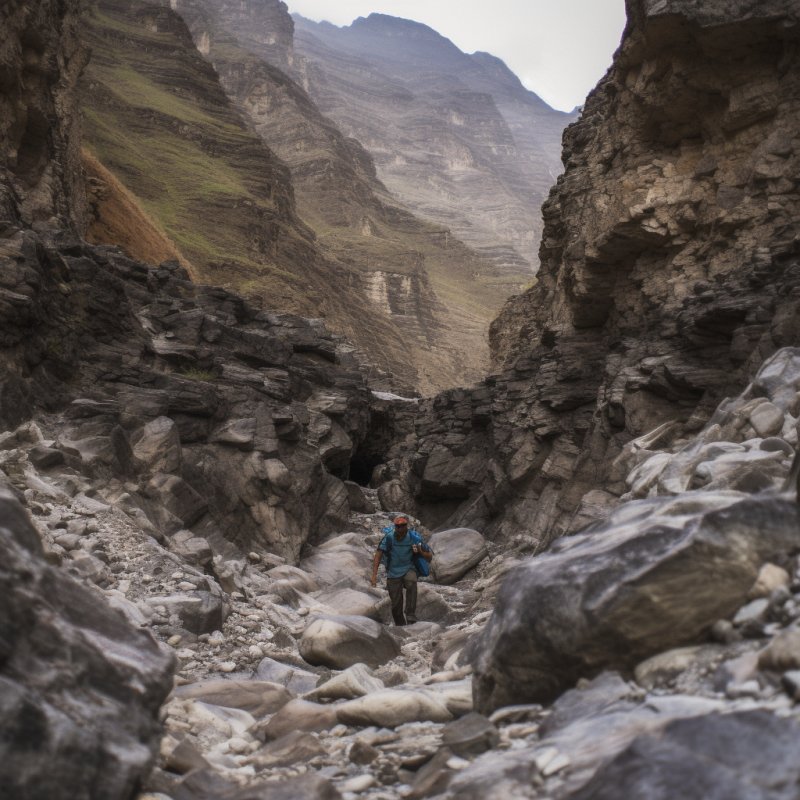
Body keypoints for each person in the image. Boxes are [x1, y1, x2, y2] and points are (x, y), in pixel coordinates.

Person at [370, 515, 433, 626]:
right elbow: (378, 555)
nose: (400, 528)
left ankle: (410, 616)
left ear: (406, 526)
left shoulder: (414, 538)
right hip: (393, 572)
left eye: (402, 526)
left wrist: (420, 551)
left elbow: (429, 557)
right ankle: (401, 625)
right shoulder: (389, 538)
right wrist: (374, 576)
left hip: (409, 568)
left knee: (412, 581)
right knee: (395, 604)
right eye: (398, 526)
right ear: (395, 527)